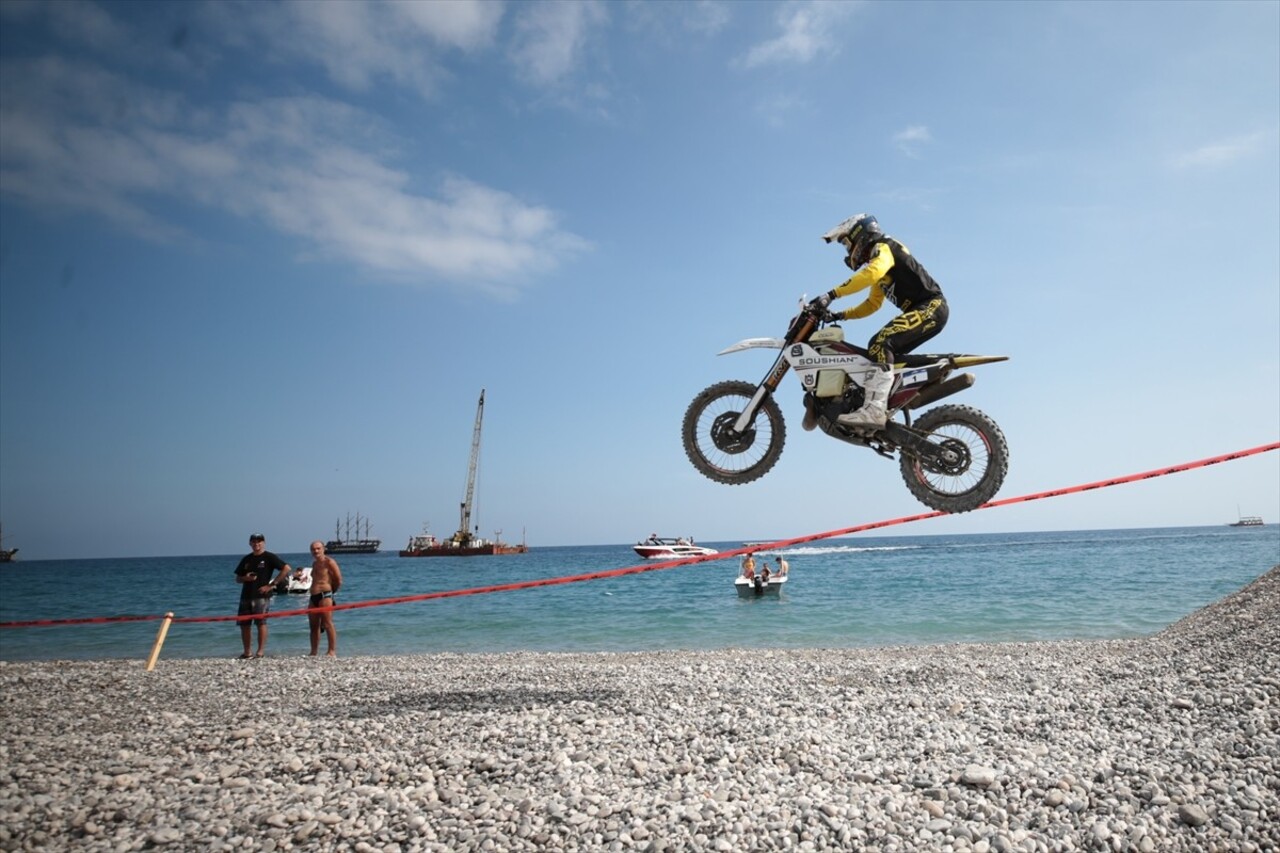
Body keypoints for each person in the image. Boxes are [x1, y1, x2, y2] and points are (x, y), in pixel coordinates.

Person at [811, 213, 949, 429]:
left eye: (847, 243)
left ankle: (874, 409)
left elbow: (872, 273)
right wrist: (839, 315)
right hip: (926, 310)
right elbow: (873, 304)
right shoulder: (880, 263)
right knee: (885, 352)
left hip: (931, 307)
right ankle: (886, 404)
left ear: (860, 235)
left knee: (880, 343)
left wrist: (831, 294)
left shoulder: (885, 248)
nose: (848, 251)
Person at [234, 533, 293, 658]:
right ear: (250, 543)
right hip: (246, 596)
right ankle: (247, 652)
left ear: (263, 543)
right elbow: (237, 579)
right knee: (244, 625)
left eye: (259, 541)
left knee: (261, 623)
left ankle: (260, 652)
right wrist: (246, 578)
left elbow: (286, 568)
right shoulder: (246, 559)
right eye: (254, 542)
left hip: (261, 595)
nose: (256, 544)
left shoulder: (269, 557)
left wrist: (272, 585)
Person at [306, 540, 343, 657]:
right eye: (313, 549)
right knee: (313, 625)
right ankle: (313, 651)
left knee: (327, 623)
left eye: (318, 548)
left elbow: (338, 580)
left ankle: (331, 651)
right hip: (313, 596)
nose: (315, 551)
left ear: (323, 549)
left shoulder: (329, 562)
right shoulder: (314, 564)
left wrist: (331, 593)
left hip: (325, 595)